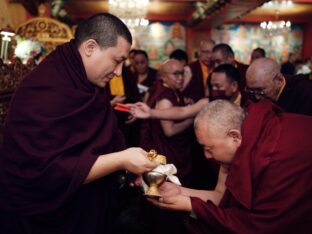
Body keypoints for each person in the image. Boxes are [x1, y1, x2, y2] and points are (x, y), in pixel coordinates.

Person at [0, 13, 158, 234]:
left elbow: (107, 132)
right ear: (90, 47)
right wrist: (121, 159)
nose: (119, 72)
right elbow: (46, 172)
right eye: (118, 60)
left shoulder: (85, 80)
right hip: (42, 215)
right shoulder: (45, 89)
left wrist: (129, 165)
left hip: (87, 203)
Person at [148, 99, 312, 233]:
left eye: (209, 149)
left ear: (235, 136)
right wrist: (180, 192)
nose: (207, 156)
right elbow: (221, 195)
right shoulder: (243, 142)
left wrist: (190, 205)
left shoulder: (274, 154)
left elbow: (260, 227)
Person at [246, 57, 312, 116]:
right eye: (251, 90)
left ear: (279, 80)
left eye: (260, 90)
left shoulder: (305, 93)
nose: (256, 97)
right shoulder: (254, 94)